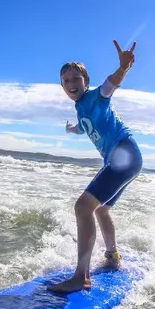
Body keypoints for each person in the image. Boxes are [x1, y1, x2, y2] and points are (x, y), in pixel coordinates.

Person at [48, 40, 143, 293]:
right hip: (128, 159)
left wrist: (123, 68)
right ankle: (112, 256)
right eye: (66, 81)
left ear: (85, 82)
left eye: (76, 78)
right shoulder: (81, 110)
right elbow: (85, 127)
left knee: (82, 207)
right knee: (100, 210)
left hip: (124, 154)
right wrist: (72, 129)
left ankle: (81, 276)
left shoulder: (95, 97)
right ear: (62, 87)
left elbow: (111, 85)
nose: (71, 84)